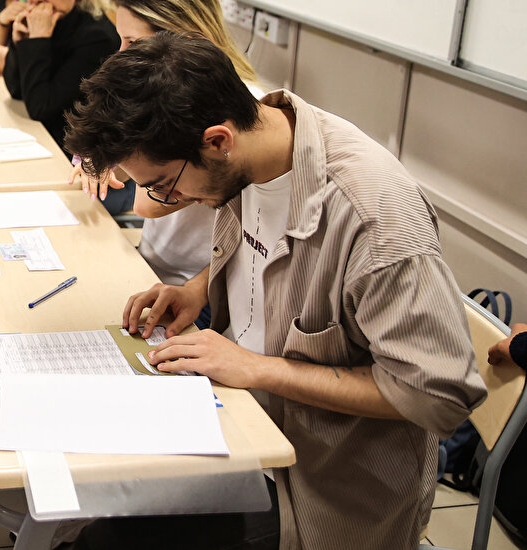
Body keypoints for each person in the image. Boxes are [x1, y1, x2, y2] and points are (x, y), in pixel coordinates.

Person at [64, 32, 485, 550]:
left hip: (316, 485)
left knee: (110, 540)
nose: (166, 199)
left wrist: (258, 368)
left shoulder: (375, 219)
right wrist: (199, 288)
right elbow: (270, 251)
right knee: (90, 490)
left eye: (164, 184)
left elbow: (438, 396)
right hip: (238, 417)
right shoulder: (256, 146)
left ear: (218, 141)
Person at [70, 0, 260, 286]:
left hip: (195, 284)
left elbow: (148, 205)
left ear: (178, 39)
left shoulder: (237, 105)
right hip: (153, 261)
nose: (120, 55)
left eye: (133, 42)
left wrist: (119, 155)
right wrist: (106, 158)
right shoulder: (168, 92)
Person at [0, 0, 118, 151]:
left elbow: (41, 108)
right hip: (42, 138)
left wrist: (37, 42)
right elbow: (16, 91)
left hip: (78, 153)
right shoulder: (52, 21)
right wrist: (19, 43)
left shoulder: (96, 38)